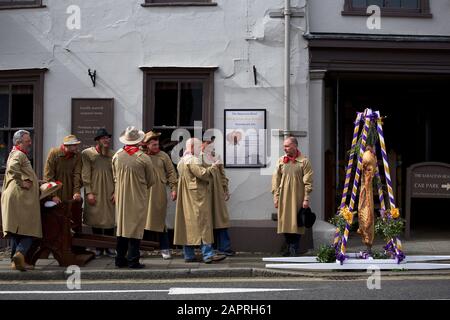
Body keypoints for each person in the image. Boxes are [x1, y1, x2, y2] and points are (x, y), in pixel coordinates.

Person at [174, 138, 226, 264]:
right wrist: (214, 167)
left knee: (188, 226)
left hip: (187, 197)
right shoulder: (193, 160)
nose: (200, 150)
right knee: (204, 224)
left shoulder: (182, 161)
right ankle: (208, 254)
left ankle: (189, 255)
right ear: (192, 147)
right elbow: (203, 174)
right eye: (198, 147)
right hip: (198, 197)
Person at [113, 126, 155, 269]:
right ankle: (133, 260)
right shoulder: (144, 158)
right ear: (138, 141)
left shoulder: (117, 155)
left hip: (122, 196)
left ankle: (119, 259)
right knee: (136, 227)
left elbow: (115, 177)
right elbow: (151, 180)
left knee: (122, 227)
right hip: (138, 196)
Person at [1, 130, 42, 271]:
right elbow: (13, 169)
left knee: (17, 231)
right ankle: (19, 254)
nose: (30, 143)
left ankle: (15, 261)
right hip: (20, 197)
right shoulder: (18, 154)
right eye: (27, 141)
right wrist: (22, 182)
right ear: (19, 142)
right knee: (29, 230)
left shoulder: (14, 153)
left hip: (16, 197)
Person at [272, 136, 313, 257]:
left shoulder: (304, 161)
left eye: (287, 146)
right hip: (283, 197)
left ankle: (294, 247)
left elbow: (308, 181)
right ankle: (289, 246)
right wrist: (276, 197)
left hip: (298, 197)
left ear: (295, 146)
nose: (284, 148)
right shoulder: (281, 161)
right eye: (284, 146)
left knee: (297, 223)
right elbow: (276, 180)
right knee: (285, 222)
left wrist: (306, 198)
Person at [141, 131, 178, 260]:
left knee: (160, 220)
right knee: (142, 220)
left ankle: (165, 248)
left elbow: (171, 172)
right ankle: (139, 248)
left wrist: (174, 188)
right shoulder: (140, 156)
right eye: (154, 145)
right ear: (147, 145)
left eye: (157, 144)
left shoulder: (163, 156)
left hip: (159, 192)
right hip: (143, 192)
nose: (157, 147)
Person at [81, 128, 116, 257]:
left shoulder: (113, 155)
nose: (106, 140)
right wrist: (89, 192)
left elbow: (116, 175)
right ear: (98, 140)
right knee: (95, 219)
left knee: (109, 219)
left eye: (107, 138)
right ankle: (98, 247)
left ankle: (109, 247)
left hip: (109, 190)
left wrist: (116, 192)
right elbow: (85, 174)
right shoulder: (88, 154)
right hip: (95, 190)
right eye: (103, 138)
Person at [201, 137, 235, 256]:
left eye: (212, 143)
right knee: (206, 220)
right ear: (202, 144)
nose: (210, 145)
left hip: (218, 192)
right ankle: (209, 248)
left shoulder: (216, 156)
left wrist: (225, 189)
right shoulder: (197, 158)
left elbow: (222, 174)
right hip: (204, 192)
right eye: (207, 143)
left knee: (221, 219)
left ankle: (224, 247)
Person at [44, 134, 82, 203]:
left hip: (70, 190)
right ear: (66, 146)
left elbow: (77, 175)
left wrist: (77, 192)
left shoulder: (77, 155)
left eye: (76, 145)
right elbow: (49, 175)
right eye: (74, 145)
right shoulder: (54, 153)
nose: (77, 147)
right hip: (55, 189)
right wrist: (53, 195)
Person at [357, 145, 377, 254]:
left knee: (368, 214)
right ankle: (366, 240)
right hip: (364, 189)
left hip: (367, 189)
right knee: (364, 212)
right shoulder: (366, 159)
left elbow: (370, 171)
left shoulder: (369, 159)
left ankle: (368, 242)